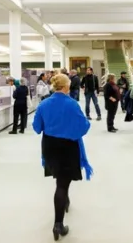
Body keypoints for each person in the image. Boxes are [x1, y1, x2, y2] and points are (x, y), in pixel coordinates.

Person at [32, 74, 93, 241]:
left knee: (60, 178)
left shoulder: (44, 104)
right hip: (68, 147)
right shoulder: (72, 104)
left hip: (50, 146)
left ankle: (65, 202)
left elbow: (37, 127)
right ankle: (58, 224)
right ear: (66, 87)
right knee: (62, 183)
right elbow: (84, 126)